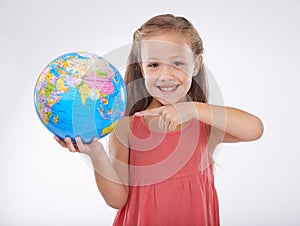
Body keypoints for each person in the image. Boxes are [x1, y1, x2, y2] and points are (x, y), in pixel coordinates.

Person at [54, 14, 263, 226]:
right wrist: (96, 154)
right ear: (141, 68)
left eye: (178, 63)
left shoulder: (204, 123)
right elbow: (117, 200)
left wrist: (191, 109)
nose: (165, 75)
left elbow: (254, 129)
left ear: (196, 64)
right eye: (154, 64)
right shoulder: (126, 126)